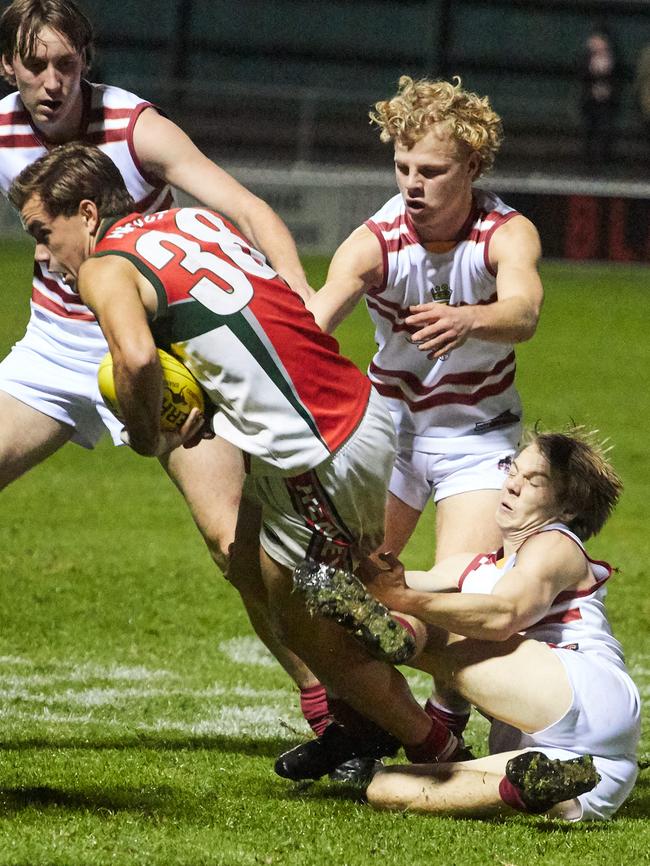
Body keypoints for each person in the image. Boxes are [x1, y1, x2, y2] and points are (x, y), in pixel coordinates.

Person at [10, 140, 480, 773]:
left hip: (317, 451)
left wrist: (148, 434)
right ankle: (361, 719)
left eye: (44, 231)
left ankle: (439, 748)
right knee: (250, 564)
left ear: (88, 213)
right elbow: (242, 322)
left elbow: (137, 358)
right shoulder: (193, 221)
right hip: (343, 416)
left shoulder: (104, 267)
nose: (42, 252)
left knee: (319, 623)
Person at [0, 0, 331, 730]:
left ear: (87, 60)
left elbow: (244, 207)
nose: (53, 81)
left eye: (67, 62)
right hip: (56, 349)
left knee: (230, 542)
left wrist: (302, 291)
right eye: (36, 64)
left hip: (162, 350)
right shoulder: (0, 128)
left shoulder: (135, 127)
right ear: (8, 66)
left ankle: (331, 696)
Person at [307, 75, 543, 747]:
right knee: (346, 588)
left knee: (458, 590)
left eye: (432, 170)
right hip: (391, 438)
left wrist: (469, 319)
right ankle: (364, 723)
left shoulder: (505, 232)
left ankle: (450, 717)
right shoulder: (376, 240)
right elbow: (319, 320)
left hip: (477, 438)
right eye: (403, 166)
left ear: (471, 165)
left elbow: (523, 312)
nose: (412, 183)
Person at [360, 429, 640, 821]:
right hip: (586, 774)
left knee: (436, 621)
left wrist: (404, 604)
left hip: (586, 702)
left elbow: (505, 615)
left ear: (568, 509)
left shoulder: (556, 543)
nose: (513, 484)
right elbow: (386, 587)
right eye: (513, 469)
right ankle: (524, 790)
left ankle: (409, 682)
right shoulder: (471, 567)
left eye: (534, 480)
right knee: (384, 786)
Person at [579, 26, 620, 168]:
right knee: (590, 129)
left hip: (606, 101)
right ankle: (589, 160)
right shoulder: (588, 58)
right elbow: (584, 76)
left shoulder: (612, 57)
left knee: (605, 130)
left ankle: (603, 159)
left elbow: (614, 77)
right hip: (591, 100)